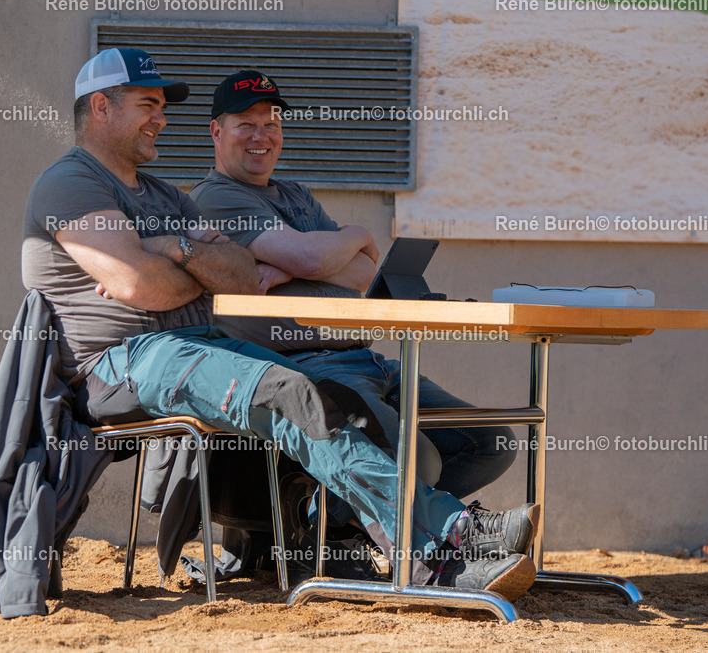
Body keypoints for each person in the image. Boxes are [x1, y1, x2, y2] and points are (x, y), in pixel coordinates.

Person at [21, 47, 539, 599]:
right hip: (124, 360)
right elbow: (137, 285)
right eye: (148, 104)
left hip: (196, 345)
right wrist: (188, 252)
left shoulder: (165, 195)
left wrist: (166, 248)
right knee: (293, 392)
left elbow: (241, 278)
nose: (162, 119)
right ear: (100, 107)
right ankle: (450, 534)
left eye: (163, 107)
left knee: (315, 395)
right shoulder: (71, 182)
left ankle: (421, 548)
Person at [191, 70, 519, 526]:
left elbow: (365, 271)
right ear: (216, 131)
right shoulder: (213, 199)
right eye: (246, 123)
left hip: (365, 358)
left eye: (272, 123)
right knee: (418, 465)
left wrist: (298, 260)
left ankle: (337, 523)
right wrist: (349, 239)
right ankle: (317, 529)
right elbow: (317, 260)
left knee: (490, 444)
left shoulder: (296, 194)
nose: (261, 136)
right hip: (301, 367)